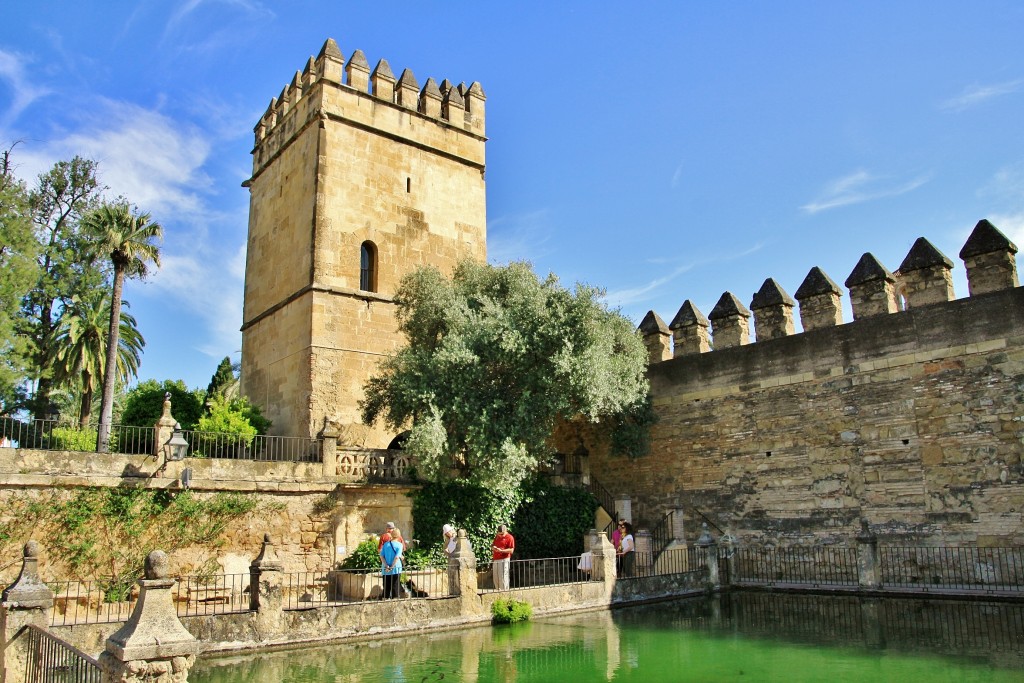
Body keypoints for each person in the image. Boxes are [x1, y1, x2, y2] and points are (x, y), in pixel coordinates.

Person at [380, 527, 404, 599]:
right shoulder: (399, 545)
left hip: (385, 569)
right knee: (395, 586)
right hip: (396, 568)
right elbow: (397, 557)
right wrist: (392, 567)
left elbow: (381, 556)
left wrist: (386, 565)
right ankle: (395, 600)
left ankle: (385, 599)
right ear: (399, 535)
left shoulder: (386, 544)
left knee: (386, 586)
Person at [491, 524, 515, 590]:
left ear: (506, 531)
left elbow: (511, 550)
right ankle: (497, 590)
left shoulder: (510, 537)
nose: (500, 535)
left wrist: (502, 550)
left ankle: (504, 591)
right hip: (496, 559)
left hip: (504, 559)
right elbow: (492, 545)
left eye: (502, 534)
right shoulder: (497, 536)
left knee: (503, 576)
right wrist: (494, 548)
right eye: (499, 534)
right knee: (495, 577)